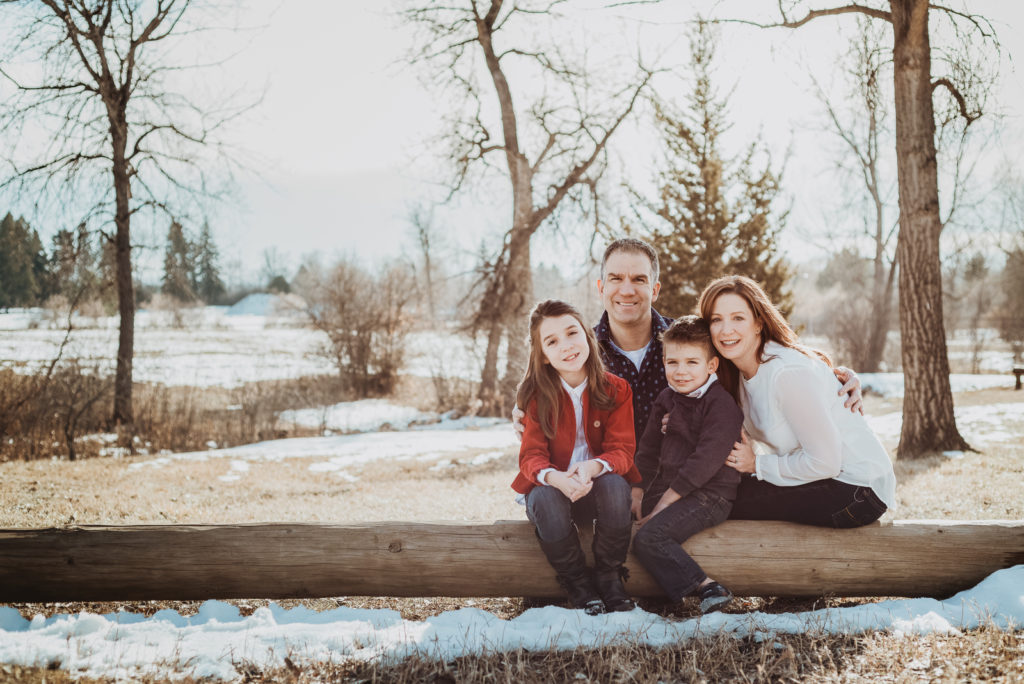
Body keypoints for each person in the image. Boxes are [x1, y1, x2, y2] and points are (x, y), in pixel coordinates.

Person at [514, 238, 865, 446]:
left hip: (690, 481)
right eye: (616, 278)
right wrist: (522, 409)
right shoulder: (581, 354)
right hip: (613, 489)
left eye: (639, 279)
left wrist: (829, 374)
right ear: (601, 287)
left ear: (655, 289)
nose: (626, 289)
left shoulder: (692, 342)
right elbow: (543, 389)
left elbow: (749, 355)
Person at [699, 275, 896, 527]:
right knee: (718, 490)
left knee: (717, 500)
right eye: (716, 320)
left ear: (758, 323)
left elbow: (826, 462)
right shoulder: (735, 373)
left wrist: (756, 464)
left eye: (738, 318)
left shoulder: (786, 373)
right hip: (825, 479)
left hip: (857, 490)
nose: (726, 330)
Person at [512, 299, 641, 615]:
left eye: (572, 334)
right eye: (552, 342)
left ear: (587, 335)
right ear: (543, 355)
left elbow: (623, 450)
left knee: (615, 486)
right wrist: (556, 478)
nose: (566, 346)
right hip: (554, 489)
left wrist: (593, 467)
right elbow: (531, 456)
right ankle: (577, 582)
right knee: (543, 498)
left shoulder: (616, 389)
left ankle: (610, 575)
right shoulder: (535, 395)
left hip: (596, 485)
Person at [630, 315, 745, 614]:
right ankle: (651, 592)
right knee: (624, 520)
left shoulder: (722, 405)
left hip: (711, 495)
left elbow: (703, 462)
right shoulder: (667, 397)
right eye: (673, 363)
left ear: (711, 366)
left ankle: (707, 586)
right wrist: (638, 489)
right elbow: (648, 447)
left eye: (692, 362)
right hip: (674, 488)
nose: (681, 372)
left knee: (650, 535)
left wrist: (662, 505)